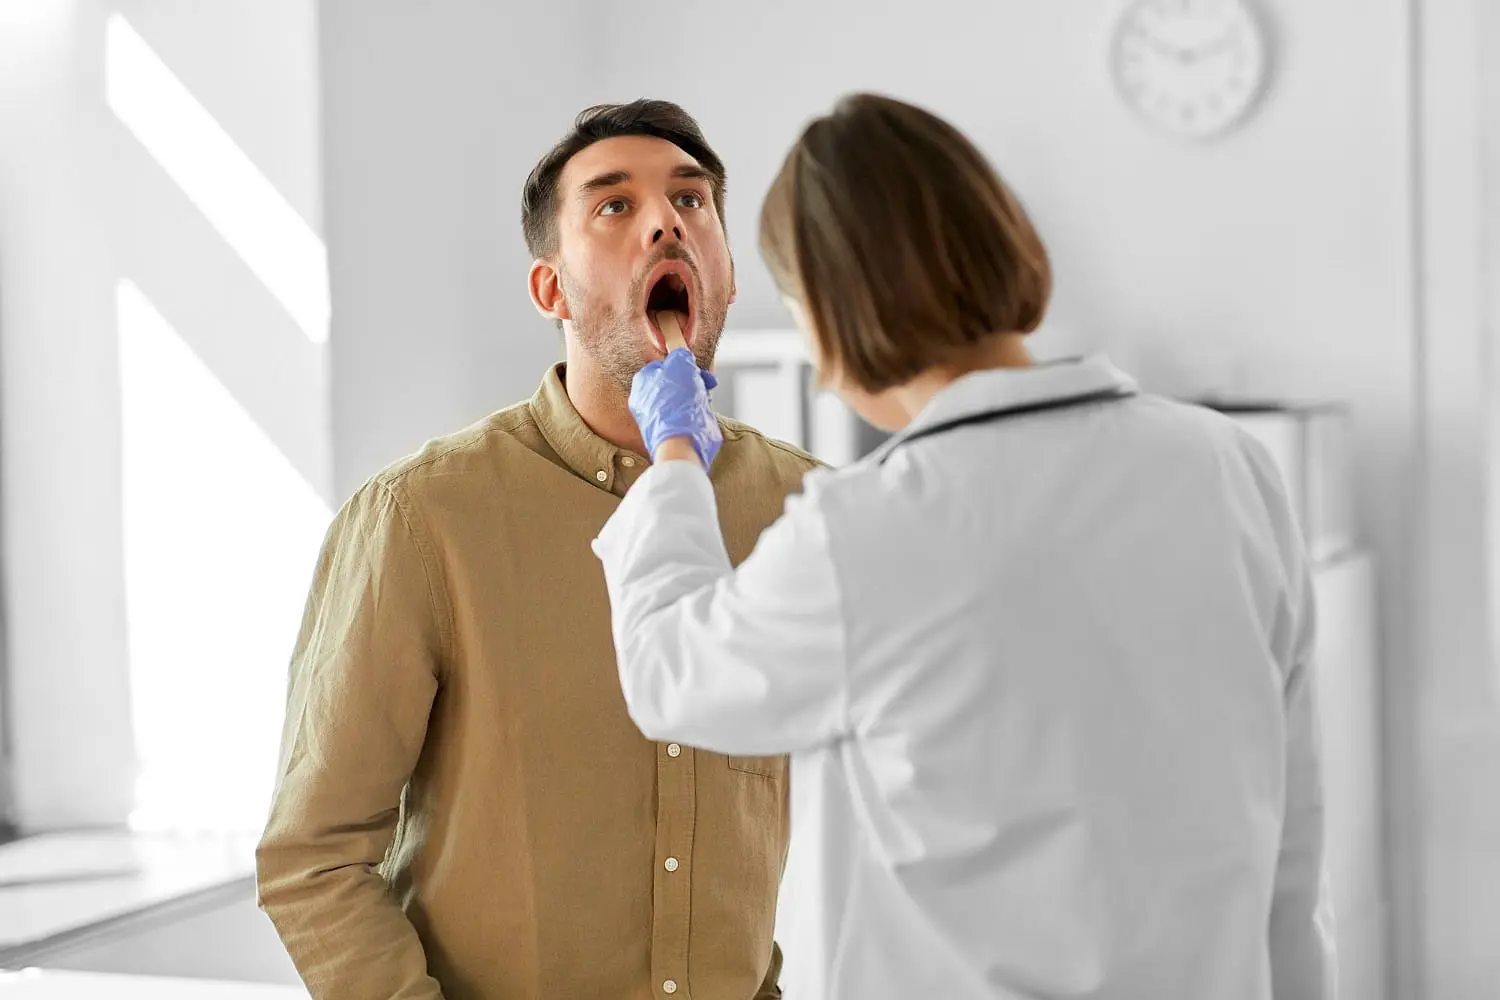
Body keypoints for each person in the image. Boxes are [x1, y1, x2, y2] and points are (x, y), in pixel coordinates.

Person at [593, 93, 1336, 1000]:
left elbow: (671, 674)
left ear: (825, 315)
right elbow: (1292, 855)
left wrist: (673, 451)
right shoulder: (1229, 466)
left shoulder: (865, 533)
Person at [256, 99, 819, 1000]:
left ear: (725, 277)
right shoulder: (423, 518)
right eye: (614, 205)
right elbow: (311, 858)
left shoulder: (805, 510)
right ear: (551, 290)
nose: (666, 222)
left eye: (691, 200)